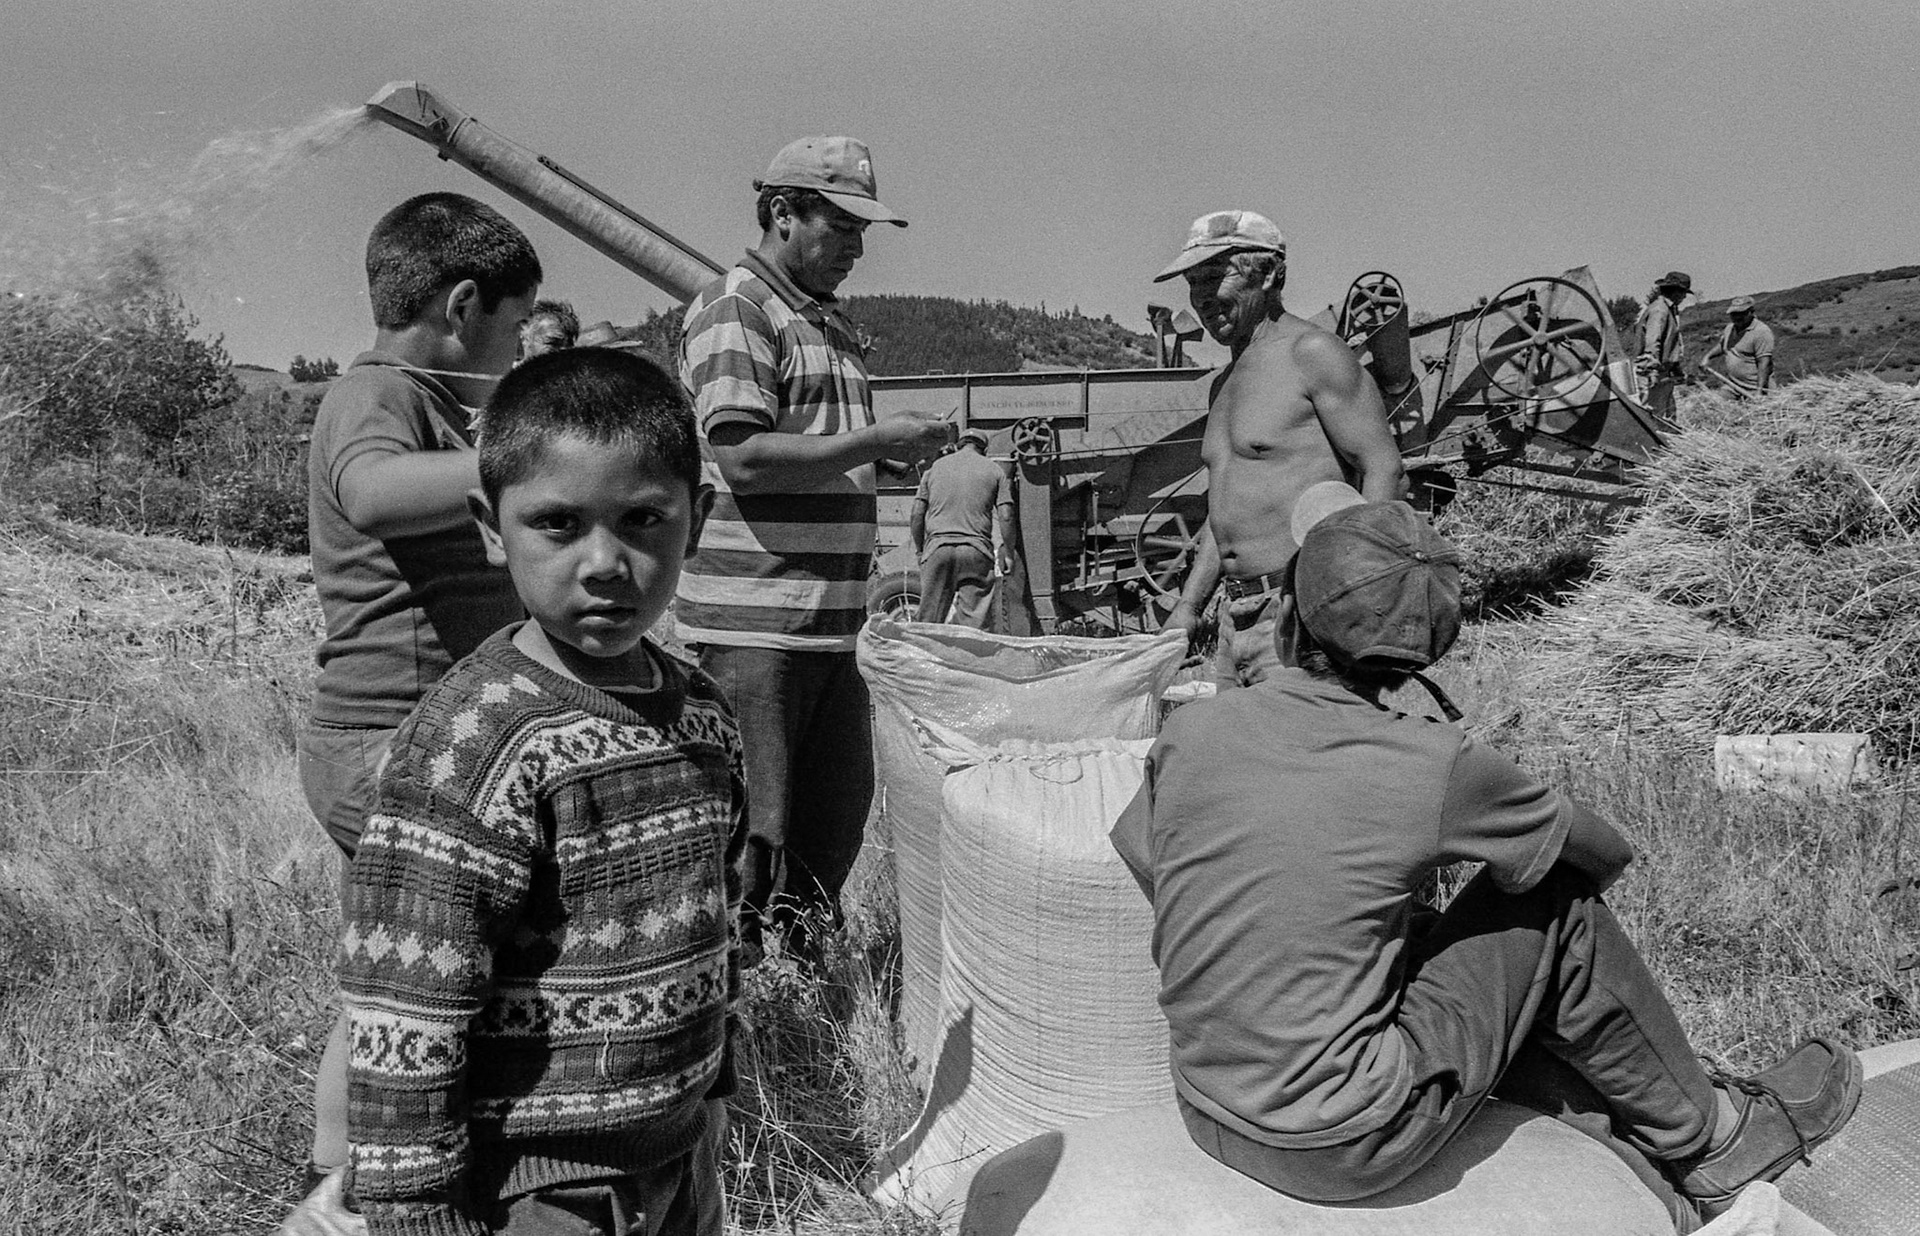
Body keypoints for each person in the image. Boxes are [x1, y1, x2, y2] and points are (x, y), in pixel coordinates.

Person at [1110, 484, 1862, 1226]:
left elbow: (1142, 847)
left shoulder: (1196, 731)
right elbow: (1599, 853)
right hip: (1342, 1144)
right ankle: (1715, 1138)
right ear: (1425, 655)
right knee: (1552, 898)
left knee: (1424, 927)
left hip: (1206, 1102)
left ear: (1282, 618)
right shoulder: (1436, 763)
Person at [339, 348, 741, 1235]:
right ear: (492, 527)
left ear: (697, 518)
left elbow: (715, 921)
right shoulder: (472, 743)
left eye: (643, 519)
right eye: (558, 524)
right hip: (540, 1191)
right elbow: (406, 1010)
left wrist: (717, 1087)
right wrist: (417, 1214)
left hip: (679, 1156)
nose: (605, 561)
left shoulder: (704, 717)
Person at [286, 191, 540, 1226]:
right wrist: (538, 460)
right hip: (392, 743)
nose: (518, 347)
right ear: (464, 304)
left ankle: (333, 1185)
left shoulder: (426, 402)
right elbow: (374, 492)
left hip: (398, 741)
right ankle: (415, 1181)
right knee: (487, 959)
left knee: (391, 979)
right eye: (516, 328)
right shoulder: (377, 394)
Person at [675, 136, 950, 961]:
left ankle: (804, 992)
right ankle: (735, 1015)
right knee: (754, 837)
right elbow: (745, 457)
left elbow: (817, 443)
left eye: (864, 232)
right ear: (780, 214)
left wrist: (879, 450)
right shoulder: (738, 310)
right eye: (841, 227)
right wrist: (872, 441)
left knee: (829, 826)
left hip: (826, 625)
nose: (857, 249)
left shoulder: (821, 318)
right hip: (756, 629)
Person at [1152, 210, 1406, 689]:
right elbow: (1225, 507)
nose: (1202, 297)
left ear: (1269, 274)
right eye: (1192, 283)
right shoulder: (1224, 384)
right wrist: (1187, 608)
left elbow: (1383, 468)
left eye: (1216, 276)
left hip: (1297, 616)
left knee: (1304, 757)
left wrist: (1345, 593)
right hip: (1234, 622)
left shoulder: (1312, 353)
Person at [911, 427, 1015, 626]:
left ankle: (924, 655)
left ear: (959, 445)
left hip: (938, 550)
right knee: (973, 625)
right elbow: (1006, 515)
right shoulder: (994, 470)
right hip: (976, 552)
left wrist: (920, 550)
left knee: (928, 622)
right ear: (983, 449)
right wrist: (1008, 553)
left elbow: (916, 513)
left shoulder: (934, 469)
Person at [1636, 270, 1693, 419]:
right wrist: (1652, 371)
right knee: (1653, 418)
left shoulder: (1669, 310)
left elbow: (1669, 344)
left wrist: (1676, 367)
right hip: (1654, 374)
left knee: (1667, 418)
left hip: (1664, 373)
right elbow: (1653, 342)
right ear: (1674, 291)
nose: (1684, 296)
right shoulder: (1659, 310)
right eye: (1683, 292)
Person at [1698, 296, 1775, 399]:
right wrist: (1707, 357)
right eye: (1734, 314)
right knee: (1713, 404)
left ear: (1751, 312)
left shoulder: (1761, 332)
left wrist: (1759, 392)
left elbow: (1764, 363)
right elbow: (1723, 345)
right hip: (1733, 386)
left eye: (1741, 314)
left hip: (1753, 388)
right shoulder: (1730, 328)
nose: (1737, 317)